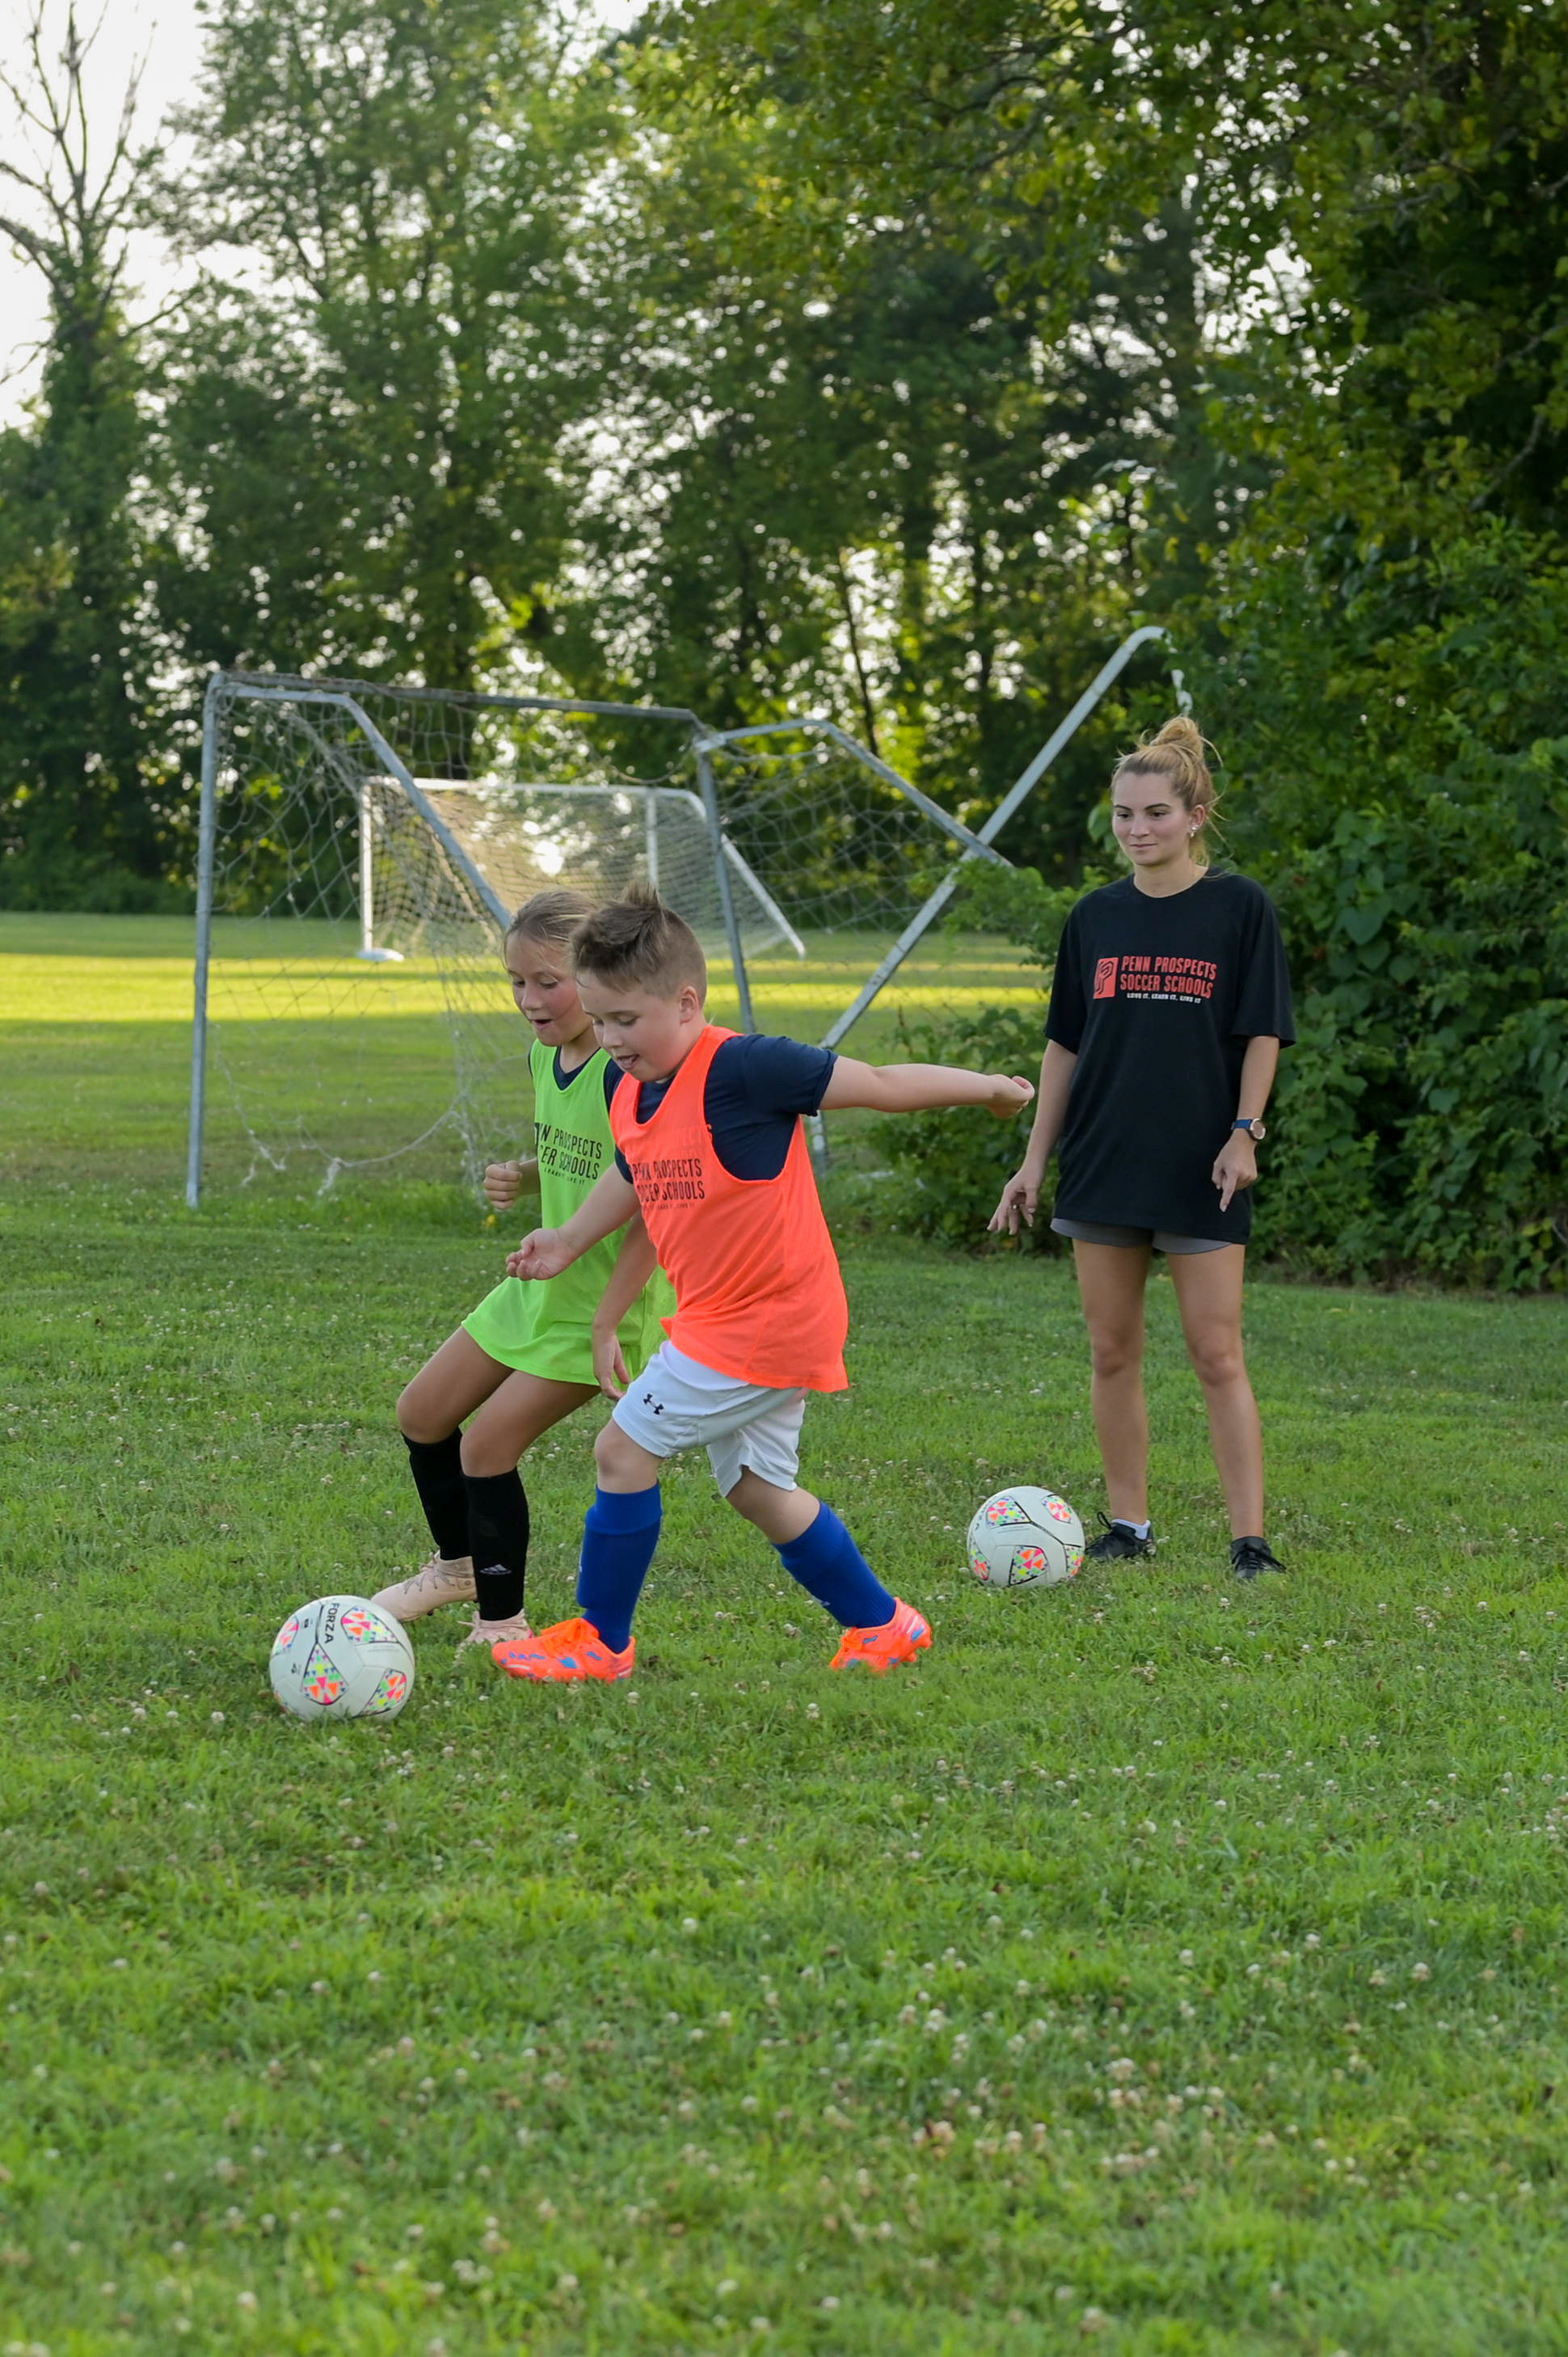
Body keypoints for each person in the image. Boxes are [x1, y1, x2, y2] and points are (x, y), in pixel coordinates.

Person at [488, 885, 1035, 1681]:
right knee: (755, 1489)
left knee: (620, 1450)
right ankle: (882, 1625)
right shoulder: (630, 1084)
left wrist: (988, 1087)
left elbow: (878, 1085)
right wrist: (569, 1239)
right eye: (599, 1020)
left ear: (685, 1002)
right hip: (721, 1322)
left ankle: (600, 1642)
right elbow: (633, 1174)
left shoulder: (747, 1069)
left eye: (625, 1020)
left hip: (766, 1323)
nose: (609, 1039)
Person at [989, 715, 1296, 1581]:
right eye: (1123, 814)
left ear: (1195, 814)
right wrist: (1033, 1161)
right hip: (1103, 1159)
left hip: (1203, 1161)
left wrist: (1243, 1133)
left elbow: (1262, 1032)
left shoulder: (1238, 907)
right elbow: (1064, 1048)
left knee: (1215, 1351)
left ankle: (1249, 1540)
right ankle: (1127, 1524)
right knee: (1111, 1350)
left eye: (1155, 813)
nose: (1136, 830)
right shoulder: (1093, 916)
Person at [373, 889, 670, 1645]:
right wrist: (528, 1174)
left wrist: (608, 1313)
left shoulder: (625, 1069)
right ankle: (457, 1567)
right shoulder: (547, 1054)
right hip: (539, 1283)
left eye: (548, 981)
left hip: (606, 1303)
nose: (529, 1000)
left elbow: (651, 1190)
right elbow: (591, 1162)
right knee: (422, 1413)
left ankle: (501, 1623)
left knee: (486, 1445)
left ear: (595, 977)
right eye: (516, 981)